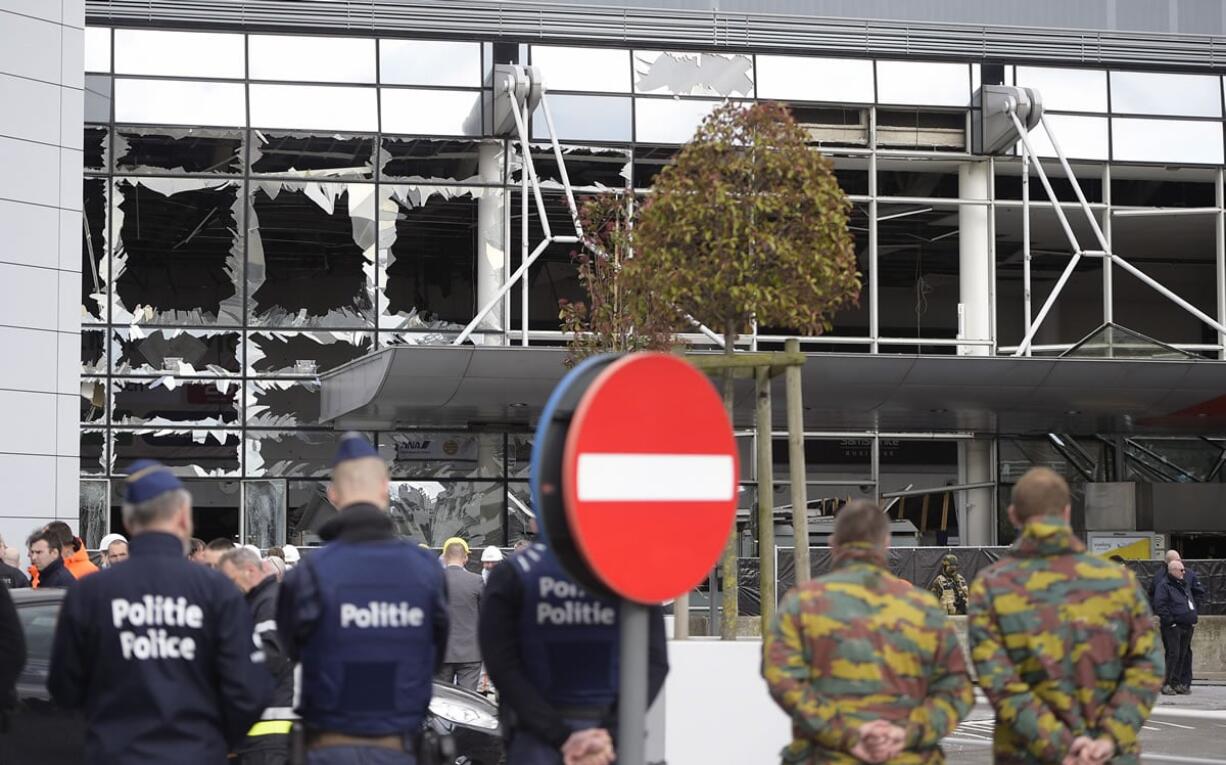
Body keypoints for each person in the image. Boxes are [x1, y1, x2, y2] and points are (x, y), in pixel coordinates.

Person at [48, 459, 271, 764]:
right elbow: (251, 689)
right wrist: (211, 740)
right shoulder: (216, 591)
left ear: (128, 523)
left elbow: (64, 688)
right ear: (182, 518)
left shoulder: (89, 593)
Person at [969, 468, 1163, 765]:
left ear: (1013, 515)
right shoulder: (1119, 581)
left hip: (1029, 754)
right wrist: (1110, 737)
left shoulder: (992, 585)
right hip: (1109, 756)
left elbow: (1000, 683)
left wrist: (1062, 746)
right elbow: (1148, 666)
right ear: (1067, 512)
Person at [277, 432, 448, 764]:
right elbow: (435, 655)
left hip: (327, 749)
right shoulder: (426, 570)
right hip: (398, 748)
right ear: (385, 488)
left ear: (333, 494)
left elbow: (293, 650)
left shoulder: (308, 574)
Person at [763, 500, 973, 764]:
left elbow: (782, 679)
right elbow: (958, 690)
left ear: (833, 544)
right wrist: (906, 734)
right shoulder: (922, 608)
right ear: (886, 543)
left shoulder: (802, 603)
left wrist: (846, 735)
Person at [479, 541, 669, 765]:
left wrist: (562, 737)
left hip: (535, 741)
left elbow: (501, 664)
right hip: (609, 747)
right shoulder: (633, 570)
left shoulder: (515, 572)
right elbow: (655, 662)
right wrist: (611, 732)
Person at [220, 546, 296, 764]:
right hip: (264, 726)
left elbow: (273, 654)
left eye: (231, 580)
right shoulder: (262, 600)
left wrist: (227, 660)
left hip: (269, 727)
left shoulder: (269, 602)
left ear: (250, 571)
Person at [437, 538, 484, 691]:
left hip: (442, 652)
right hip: (471, 652)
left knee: (443, 702)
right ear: (466, 558)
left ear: (444, 557)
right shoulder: (476, 581)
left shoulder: (434, 580)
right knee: (468, 702)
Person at [1153, 559, 1198, 696]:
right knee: (1173, 654)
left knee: (1183, 655)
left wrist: (1192, 615)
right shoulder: (1164, 585)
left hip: (1186, 625)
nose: (1184, 572)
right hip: (1173, 626)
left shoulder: (1183, 584)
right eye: (1181, 570)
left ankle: (1176, 682)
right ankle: (1166, 683)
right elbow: (1160, 605)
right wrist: (1170, 622)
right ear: (1172, 571)